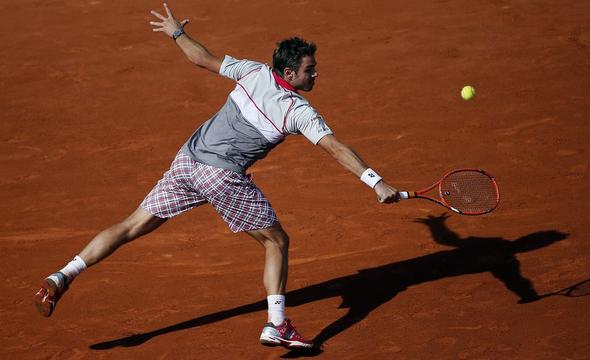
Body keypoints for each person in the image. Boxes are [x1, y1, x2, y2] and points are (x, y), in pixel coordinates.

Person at [34, 3, 399, 350]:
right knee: (276, 242)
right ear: (289, 75)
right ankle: (277, 324)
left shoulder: (253, 70)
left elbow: (200, 58)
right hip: (221, 176)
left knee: (131, 225)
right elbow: (335, 148)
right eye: (309, 70)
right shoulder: (298, 111)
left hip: (186, 161)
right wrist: (376, 182)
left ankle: (63, 275)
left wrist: (177, 33)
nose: (316, 73)